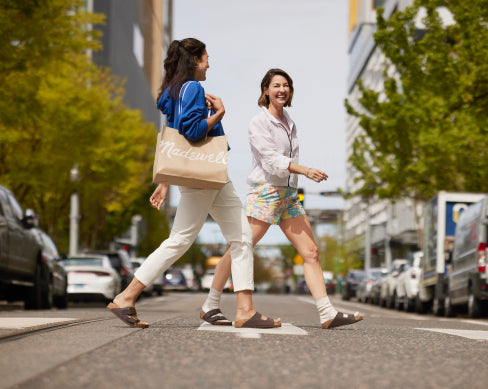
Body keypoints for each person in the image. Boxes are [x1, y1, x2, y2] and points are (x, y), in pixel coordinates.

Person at [107, 38, 280, 329]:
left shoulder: (173, 91)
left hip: (205, 176)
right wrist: (219, 114)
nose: (209, 64)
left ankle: (234, 309)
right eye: (206, 58)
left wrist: (164, 180)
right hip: (206, 175)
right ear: (195, 61)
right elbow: (192, 132)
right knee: (185, 240)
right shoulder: (192, 88)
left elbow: (171, 140)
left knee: (239, 238)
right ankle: (126, 296)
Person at [201, 68, 363, 329]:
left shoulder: (289, 120)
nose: (282, 90)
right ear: (266, 90)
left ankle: (327, 313)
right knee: (240, 249)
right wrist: (306, 170)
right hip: (265, 191)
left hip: (288, 194)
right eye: (276, 85)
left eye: (286, 85)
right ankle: (211, 303)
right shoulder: (259, 122)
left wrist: (298, 177)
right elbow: (271, 160)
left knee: (311, 251)